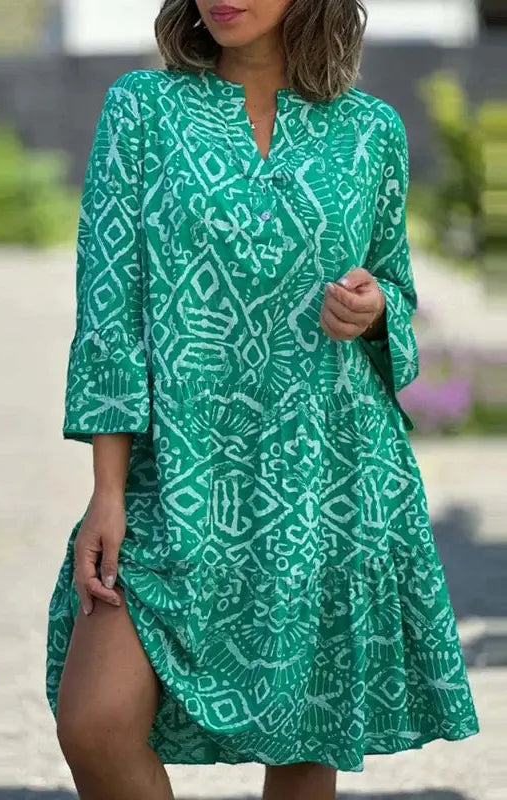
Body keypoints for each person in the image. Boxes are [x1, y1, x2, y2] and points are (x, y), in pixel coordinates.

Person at [45, 1, 480, 798]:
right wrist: (107, 490)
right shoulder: (143, 110)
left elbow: (395, 283)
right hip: (174, 472)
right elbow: (109, 308)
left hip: (327, 475)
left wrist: (373, 308)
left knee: (305, 744)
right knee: (95, 723)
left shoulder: (370, 131)